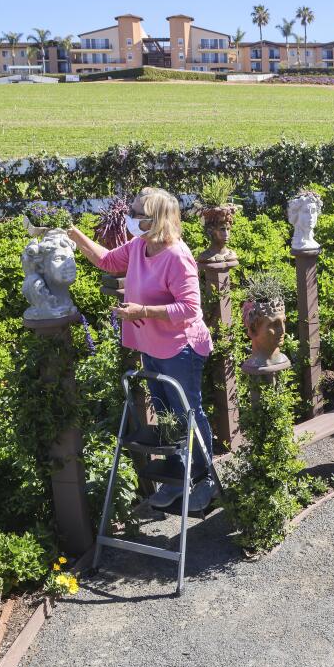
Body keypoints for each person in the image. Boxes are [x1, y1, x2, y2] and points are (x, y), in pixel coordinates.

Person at [68, 187, 217, 511]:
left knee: (188, 414)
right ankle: (178, 477)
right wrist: (73, 233)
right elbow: (107, 261)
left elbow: (190, 309)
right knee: (166, 418)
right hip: (151, 346)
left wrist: (144, 312)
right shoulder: (138, 246)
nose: (130, 218)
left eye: (137, 214)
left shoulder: (177, 256)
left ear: (157, 219)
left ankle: (206, 480)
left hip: (181, 349)